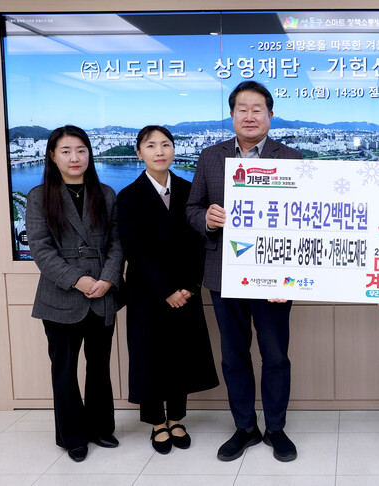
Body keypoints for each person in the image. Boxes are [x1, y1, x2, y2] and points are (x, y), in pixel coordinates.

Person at [186, 81, 303, 462]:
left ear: (270, 115)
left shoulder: (292, 158)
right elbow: (192, 209)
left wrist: (292, 275)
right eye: (242, 109)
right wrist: (206, 218)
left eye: (257, 109)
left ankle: (276, 428)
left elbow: (305, 219)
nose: (249, 116)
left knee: (276, 356)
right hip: (225, 273)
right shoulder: (210, 156)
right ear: (232, 114)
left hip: (275, 276)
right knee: (234, 356)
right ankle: (245, 427)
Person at [117, 126, 219, 454]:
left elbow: (201, 243)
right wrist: (165, 290)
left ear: (174, 149)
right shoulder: (128, 196)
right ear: (139, 153)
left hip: (185, 290)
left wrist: (189, 286)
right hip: (148, 292)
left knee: (180, 355)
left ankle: (176, 418)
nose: (159, 151)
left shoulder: (190, 192)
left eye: (165, 144)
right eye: (151, 146)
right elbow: (134, 249)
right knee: (149, 356)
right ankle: (156, 422)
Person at [26, 125, 123, 462]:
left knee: (99, 368)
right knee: (64, 370)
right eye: (66, 151)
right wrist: (77, 280)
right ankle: (73, 436)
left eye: (81, 150)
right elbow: (41, 249)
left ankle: (100, 428)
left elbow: (117, 244)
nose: (74, 157)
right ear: (52, 156)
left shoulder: (106, 193)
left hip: (102, 294)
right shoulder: (39, 196)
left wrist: (108, 279)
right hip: (61, 296)